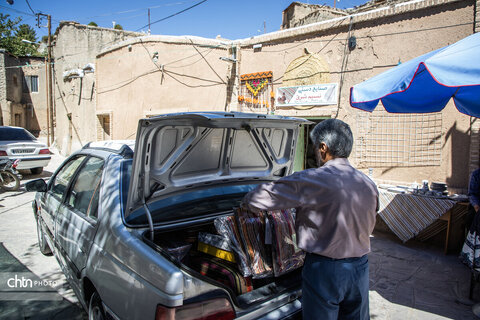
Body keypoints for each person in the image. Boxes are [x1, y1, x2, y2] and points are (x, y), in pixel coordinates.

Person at [241, 119, 378, 320]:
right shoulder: (367, 183)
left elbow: (257, 199)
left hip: (325, 270)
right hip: (360, 268)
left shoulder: (312, 179)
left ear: (323, 148)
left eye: (315, 147)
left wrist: (245, 201)